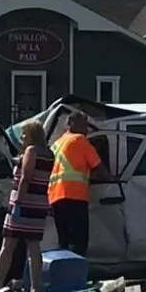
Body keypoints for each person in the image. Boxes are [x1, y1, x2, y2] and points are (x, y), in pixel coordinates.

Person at [0, 119, 51, 292]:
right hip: (39, 204)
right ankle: (36, 287)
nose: (22, 137)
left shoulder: (31, 151)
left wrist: (18, 199)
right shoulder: (49, 153)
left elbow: (26, 177)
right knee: (34, 246)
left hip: (23, 204)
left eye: (24, 133)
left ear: (32, 135)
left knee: (8, 245)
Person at [47, 109, 102, 259]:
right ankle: (75, 276)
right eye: (84, 124)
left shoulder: (56, 144)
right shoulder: (79, 139)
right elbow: (98, 166)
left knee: (64, 241)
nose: (86, 129)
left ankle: (63, 276)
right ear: (72, 123)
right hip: (74, 196)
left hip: (55, 197)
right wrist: (111, 178)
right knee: (79, 241)